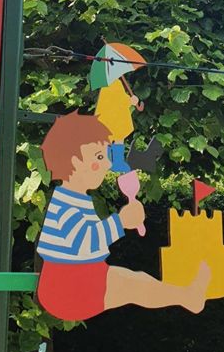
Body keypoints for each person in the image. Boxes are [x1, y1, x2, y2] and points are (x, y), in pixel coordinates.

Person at [36, 112, 211, 321]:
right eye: (99, 157)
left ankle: (187, 296)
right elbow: (85, 241)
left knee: (138, 281)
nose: (107, 164)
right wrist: (120, 222)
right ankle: (187, 297)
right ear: (75, 162)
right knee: (135, 286)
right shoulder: (65, 206)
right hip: (68, 288)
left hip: (84, 277)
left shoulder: (77, 199)